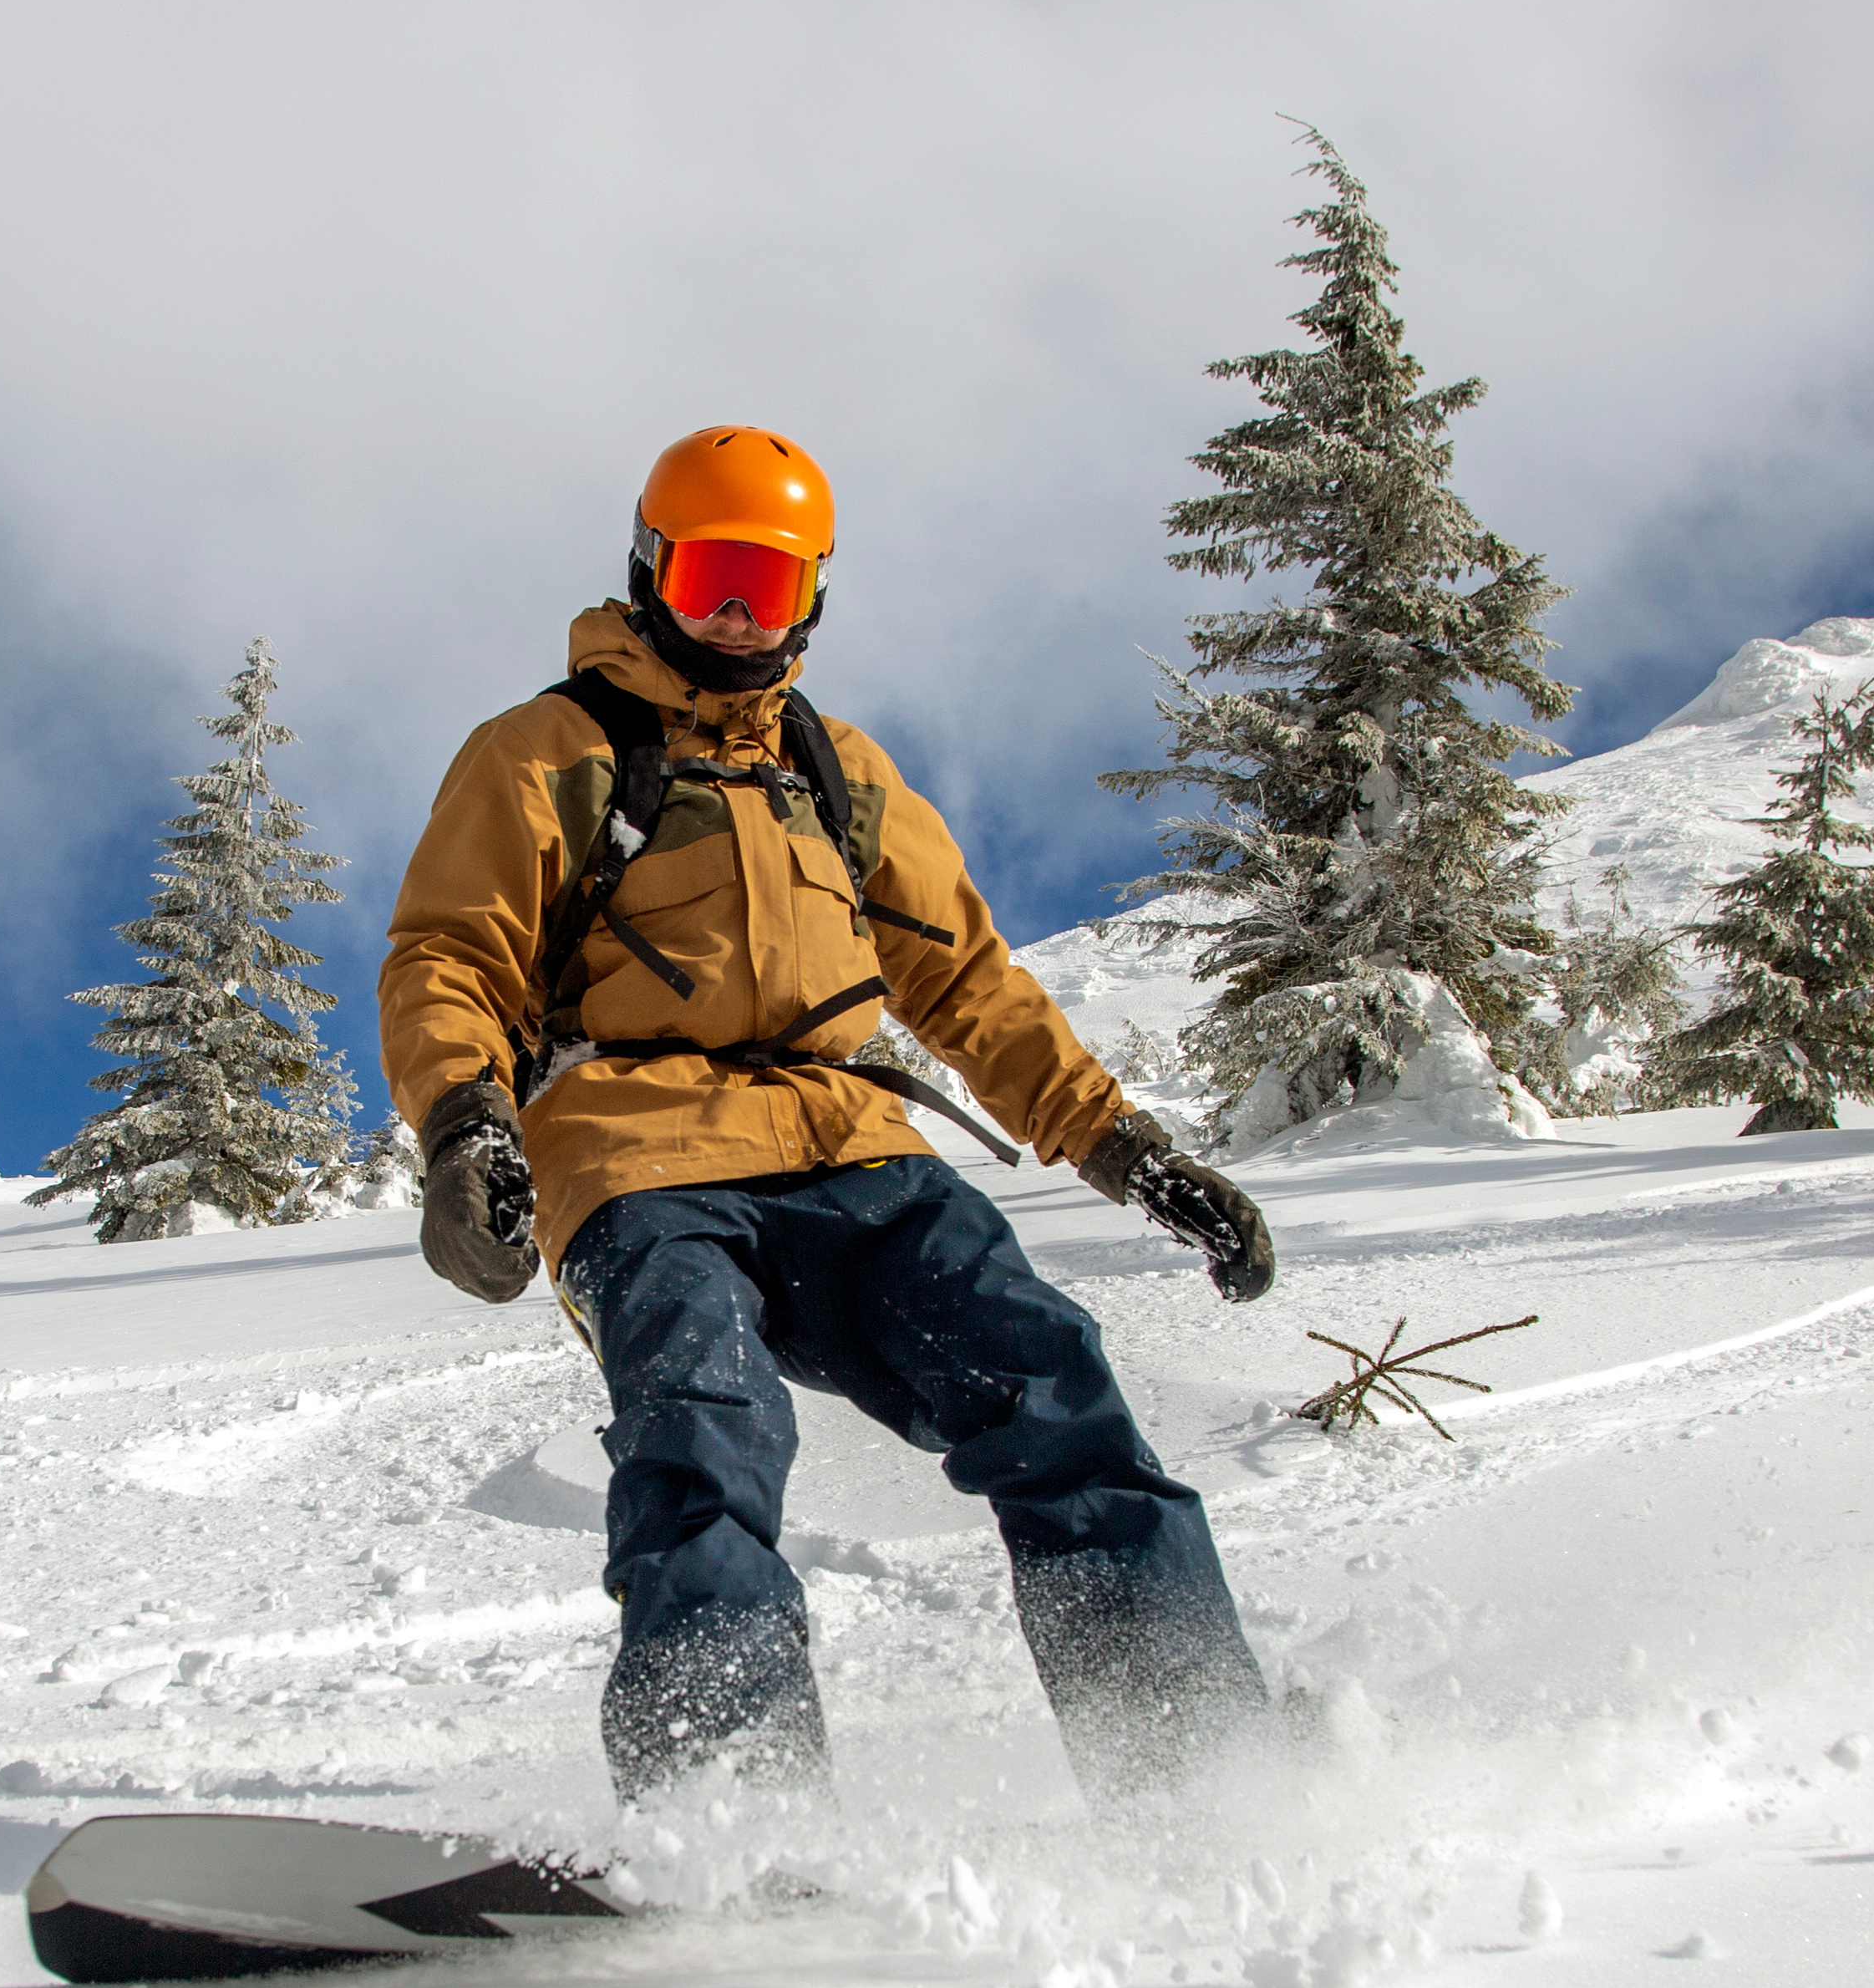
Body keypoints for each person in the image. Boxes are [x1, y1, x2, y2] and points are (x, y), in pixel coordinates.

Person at [380, 424, 1283, 1814]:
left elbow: (970, 986)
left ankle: (1198, 1771)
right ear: (649, 572)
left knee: (1055, 1391)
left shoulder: (839, 772)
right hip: (641, 1156)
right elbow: (452, 957)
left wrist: (1129, 1149)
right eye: (707, 583)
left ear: (812, 597)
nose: (736, 619)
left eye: (767, 584)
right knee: (702, 1435)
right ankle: (732, 1810)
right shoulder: (551, 752)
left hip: (859, 1161)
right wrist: (466, 1130)